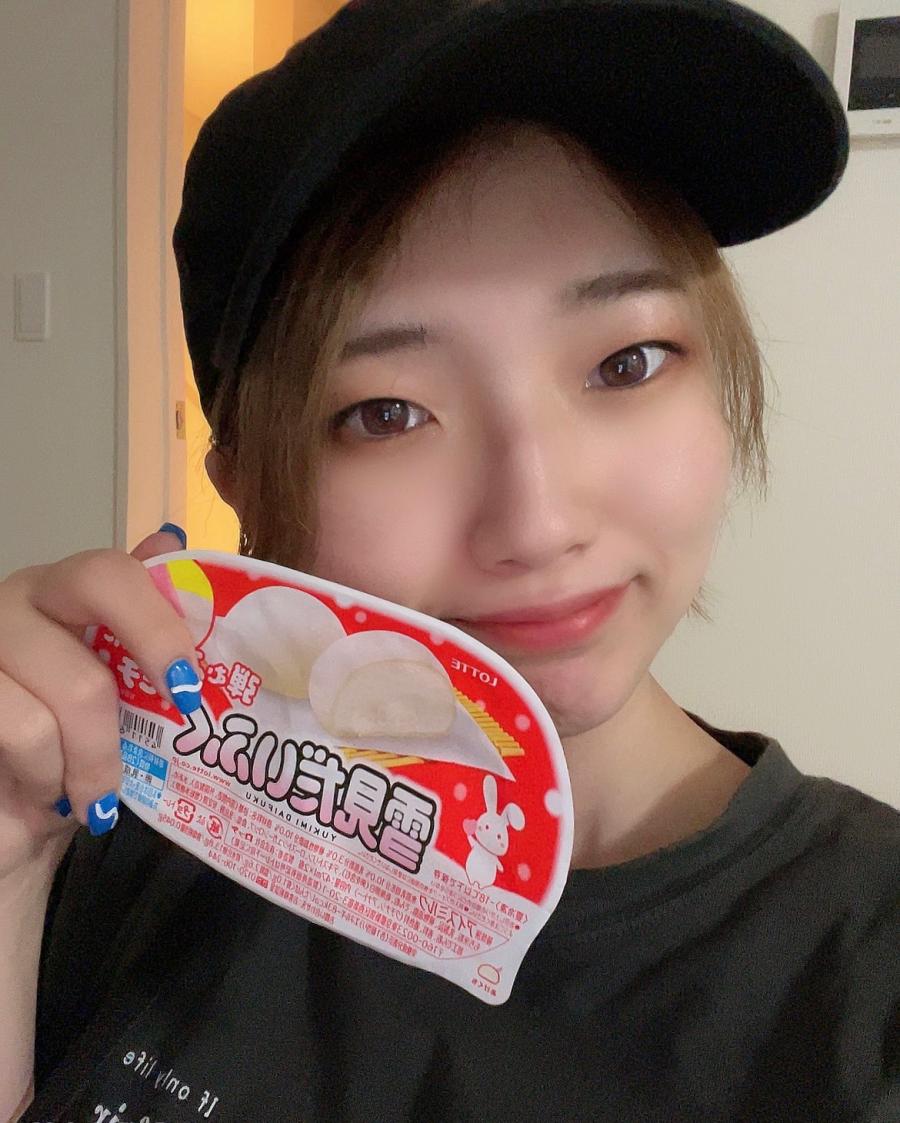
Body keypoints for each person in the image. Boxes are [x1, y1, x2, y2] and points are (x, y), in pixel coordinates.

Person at [3, 1, 898, 1120]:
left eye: (627, 361)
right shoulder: (108, 818)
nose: (537, 521)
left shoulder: (867, 978)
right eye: (387, 413)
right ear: (243, 478)